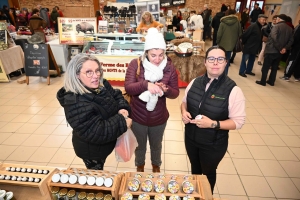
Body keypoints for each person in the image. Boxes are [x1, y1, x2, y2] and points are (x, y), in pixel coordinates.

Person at [181, 45, 246, 194]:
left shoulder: (233, 90)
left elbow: (238, 122)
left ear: (225, 62)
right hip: (191, 139)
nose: (215, 63)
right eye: (211, 59)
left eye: (220, 59)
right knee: (195, 170)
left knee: (208, 173)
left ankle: (206, 196)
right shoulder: (194, 82)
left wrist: (212, 124)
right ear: (205, 62)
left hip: (213, 144)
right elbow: (184, 102)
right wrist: (184, 111)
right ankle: (195, 195)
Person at [57, 54, 132, 170]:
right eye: (89, 72)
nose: (96, 76)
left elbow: (116, 95)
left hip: (106, 143)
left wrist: (123, 108)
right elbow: (98, 131)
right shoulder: (75, 102)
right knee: (95, 175)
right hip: (92, 150)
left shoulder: (100, 84)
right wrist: (122, 121)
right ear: (77, 75)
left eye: (97, 71)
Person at [124, 28, 179, 173]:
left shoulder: (169, 68)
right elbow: (129, 88)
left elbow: (175, 93)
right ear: (146, 53)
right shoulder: (135, 64)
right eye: (153, 55)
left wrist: (165, 89)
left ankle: (156, 167)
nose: (157, 59)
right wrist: (146, 85)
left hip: (159, 118)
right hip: (137, 116)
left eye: (161, 55)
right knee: (139, 145)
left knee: (156, 145)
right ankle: (140, 167)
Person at [256, 14, 293, 86]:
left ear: (279, 19)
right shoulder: (290, 29)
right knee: (275, 67)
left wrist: (280, 48)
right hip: (280, 52)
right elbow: (291, 41)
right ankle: (271, 81)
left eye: (277, 19)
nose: (276, 20)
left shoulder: (276, 27)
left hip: (271, 50)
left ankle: (263, 81)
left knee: (265, 67)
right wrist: (284, 48)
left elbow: (274, 38)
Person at [216, 9, 242, 75]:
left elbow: (219, 34)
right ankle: (225, 75)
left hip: (222, 45)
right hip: (231, 45)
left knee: (220, 60)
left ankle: (219, 74)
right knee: (227, 61)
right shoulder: (237, 22)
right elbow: (240, 33)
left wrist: (217, 42)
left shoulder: (223, 22)